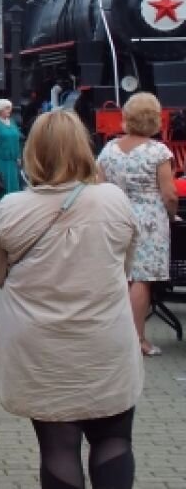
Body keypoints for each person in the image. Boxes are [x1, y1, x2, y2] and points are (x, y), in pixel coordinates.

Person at [0, 110, 141, 489]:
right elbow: (126, 265)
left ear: (33, 153)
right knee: (114, 438)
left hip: (41, 349)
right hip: (105, 341)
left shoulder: (11, 209)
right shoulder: (114, 201)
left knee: (58, 448)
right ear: (84, 149)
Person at [97, 92, 178, 357]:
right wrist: (172, 213)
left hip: (115, 214)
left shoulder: (109, 149)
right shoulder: (158, 152)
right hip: (149, 221)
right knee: (140, 279)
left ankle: (111, 337)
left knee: (118, 276)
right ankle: (138, 339)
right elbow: (169, 193)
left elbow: (98, 185)